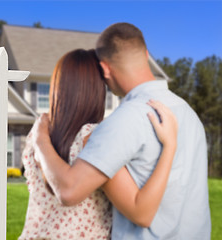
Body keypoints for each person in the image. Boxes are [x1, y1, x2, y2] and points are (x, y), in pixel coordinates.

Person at [32, 23, 211, 239]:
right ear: (145, 54)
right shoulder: (188, 114)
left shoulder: (123, 121)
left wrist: (41, 140)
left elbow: (69, 191)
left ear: (105, 69)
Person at [19, 49, 178, 240]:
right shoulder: (93, 139)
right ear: (96, 90)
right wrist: (170, 146)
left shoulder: (38, 133)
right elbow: (141, 213)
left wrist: (40, 140)